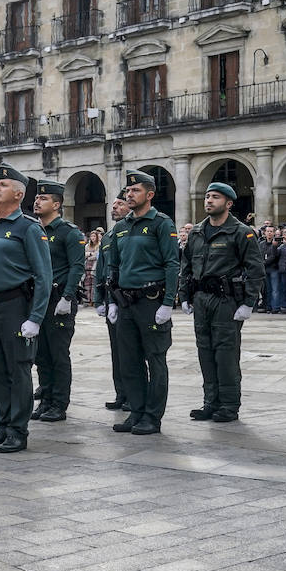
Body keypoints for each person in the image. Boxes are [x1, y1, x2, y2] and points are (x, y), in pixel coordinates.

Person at [0, 164, 51, 454]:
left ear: (18, 194)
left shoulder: (28, 227)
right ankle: (1, 426)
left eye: (3, 184)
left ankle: (17, 430)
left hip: (14, 306)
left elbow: (43, 275)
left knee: (18, 370)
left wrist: (35, 318)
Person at [177, 181, 265, 424]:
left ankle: (228, 405)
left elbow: (256, 269)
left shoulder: (241, 232)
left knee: (225, 354)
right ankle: (210, 403)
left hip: (226, 300)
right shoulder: (196, 232)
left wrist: (248, 302)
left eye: (215, 197)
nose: (209, 200)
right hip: (201, 299)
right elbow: (186, 266)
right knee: (205, 352)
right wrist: (184, 295)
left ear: (228, 203)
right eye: (207, 196)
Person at [105, 169, 179, 436]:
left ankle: (152, 417)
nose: (129, 194)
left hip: (151, 302)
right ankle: (136, 412)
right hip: (126, 302)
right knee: (129, 361)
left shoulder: (161, 223)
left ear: (150, 195)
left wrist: (168, 303)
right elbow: (114, 267)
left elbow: (172, 264)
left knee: (155, 360)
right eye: (127, 190)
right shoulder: (120, 227)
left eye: (135, 190)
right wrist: (112, 302)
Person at [31, 180, 85, 424]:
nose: (37, 201)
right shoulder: (34, 230)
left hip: (58, 298)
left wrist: (67, 296)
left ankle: (59, 403)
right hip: (38, 299)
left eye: (43, 199)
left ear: (56, 204)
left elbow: (77, 266)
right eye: (36, 198)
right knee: (41, 354)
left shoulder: (68, 232)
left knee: (58, 354)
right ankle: (46, 399)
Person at [94, 194, 131, 412]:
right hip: (112, 300)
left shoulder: (132, 232)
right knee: (116, 350)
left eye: (120, 204)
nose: (114, 207)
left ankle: (134, 395)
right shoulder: (108, 236)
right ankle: (121, 393)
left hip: (130, 298)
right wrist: (99, 300)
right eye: (113, 204)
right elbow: (101, 270)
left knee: (131, 351)